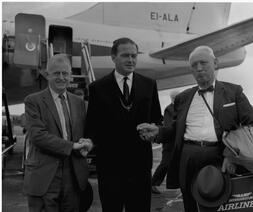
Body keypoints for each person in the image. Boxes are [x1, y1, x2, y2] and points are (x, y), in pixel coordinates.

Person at [137, 46, 253, 212]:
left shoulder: (233, 92)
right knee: (191, 203)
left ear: (215, 63)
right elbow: (176, 130)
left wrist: (233, 155)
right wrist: (158, 132)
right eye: (194, 65)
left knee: (221, 204)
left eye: (203, 63)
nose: (199, 68)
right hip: (188, 157)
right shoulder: (183, 97)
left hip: (220, 156)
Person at [84, 37, 162, 212]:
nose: (131, 60)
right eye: (125, 55)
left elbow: (157, 119)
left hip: (140, 166)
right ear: (113, 57)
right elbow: (92, 126)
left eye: (134, 56)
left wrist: (155, 130)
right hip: (110, 167)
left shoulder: (149, 85)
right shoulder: (97, 88)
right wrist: (88, 141)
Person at [23, 54, 93, 212]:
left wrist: (88, 142)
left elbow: (86, 132)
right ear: (47, 75)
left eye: (65, 73)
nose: (61, 77)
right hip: (45, 175)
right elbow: (37, 136)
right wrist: (73, 145)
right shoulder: (33, 101)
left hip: (73, 175)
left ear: (70, 76)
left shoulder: (79, 102)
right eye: (56, 73)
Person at [151, 90, 178, 194]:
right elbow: (168, 126)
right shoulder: (169, 109)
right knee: (165, 164)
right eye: (176, 97)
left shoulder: (179, 107)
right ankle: (153, 183)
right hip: (169, 143)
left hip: (176, 142)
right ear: (173, 98)